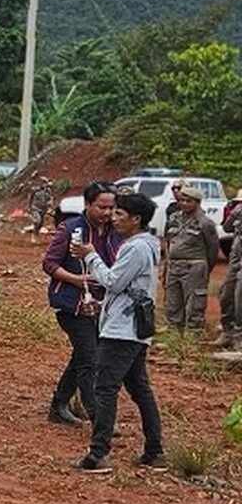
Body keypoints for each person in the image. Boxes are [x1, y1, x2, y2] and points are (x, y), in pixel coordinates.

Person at [72, 192, 165, 473]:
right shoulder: (148, 245)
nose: (114, 218)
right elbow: (128, 287)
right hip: (133, 326)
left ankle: (98, 453)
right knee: (139, 388)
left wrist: (91, 257)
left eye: (120, 214)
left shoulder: (135, 248)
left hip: (122, 331)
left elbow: (113, 281)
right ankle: (154, 451)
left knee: (105, 388)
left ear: (136, 219)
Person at [42, 182, 122, 425]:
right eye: (101, 207)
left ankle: (59, 404)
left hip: (103, 305)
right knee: (90, 359)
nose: (107, 213)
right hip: (71, 305)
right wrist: (75, 279)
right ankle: (97, 415)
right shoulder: (69, 229)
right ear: (88, 205)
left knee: (82, 356)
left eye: (111, 208)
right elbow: (49, 264)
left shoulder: (114, 232)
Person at [162, 185, 219, 333]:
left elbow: (212, 249)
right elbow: (168, 240)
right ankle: (173, 333)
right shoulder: (174, 218)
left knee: (195, 302)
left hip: (194, 266)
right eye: (182, 200)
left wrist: (205, 268)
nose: (184, 204)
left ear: (197, 202)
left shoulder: (205, 223)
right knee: (173, 301)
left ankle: (193, 335)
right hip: (174, 265)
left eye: (189, 201)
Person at [215, 194, 242, 349]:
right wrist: (234, 212)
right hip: (235, 260)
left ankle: (239, 335)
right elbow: (226, 227)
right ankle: (228, 331)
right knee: (226, 293)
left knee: (240, 297)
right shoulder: (238, 214)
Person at [29, 177, 54, 244]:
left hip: (43, 209)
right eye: (43, 182)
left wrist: (50, 207)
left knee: (40, 224)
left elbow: (50, 199)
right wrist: (29, 207)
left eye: (45, 183)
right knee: (38, 221)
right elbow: (30, 198)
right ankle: (33, 235)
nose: (44, 184)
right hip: (35, 208)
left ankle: (36, 234)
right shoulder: (36, 190)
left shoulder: (48, 191)